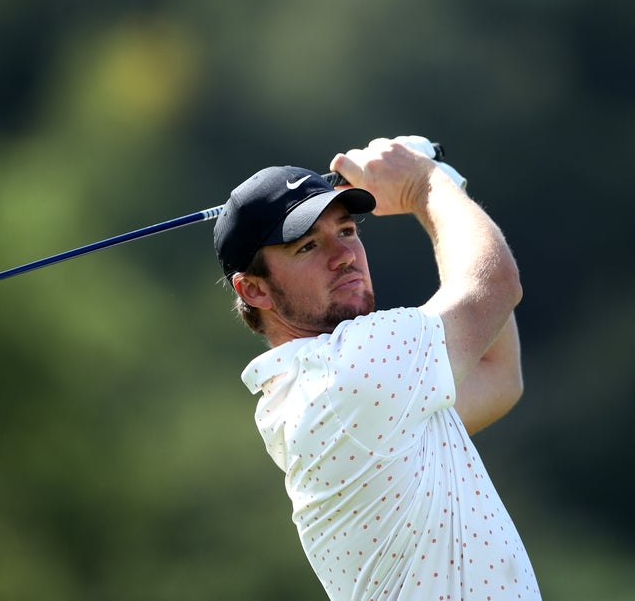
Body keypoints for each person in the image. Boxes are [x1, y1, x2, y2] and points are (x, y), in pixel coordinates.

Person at [213, 136, 540, 600]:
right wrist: (423, 184)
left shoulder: (332, 392)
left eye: (346, 231)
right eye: (308, 246)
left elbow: (497, 374)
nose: (343, 255)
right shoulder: (349, 371)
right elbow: (496, 283)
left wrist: (443, 190)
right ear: (254, 290)